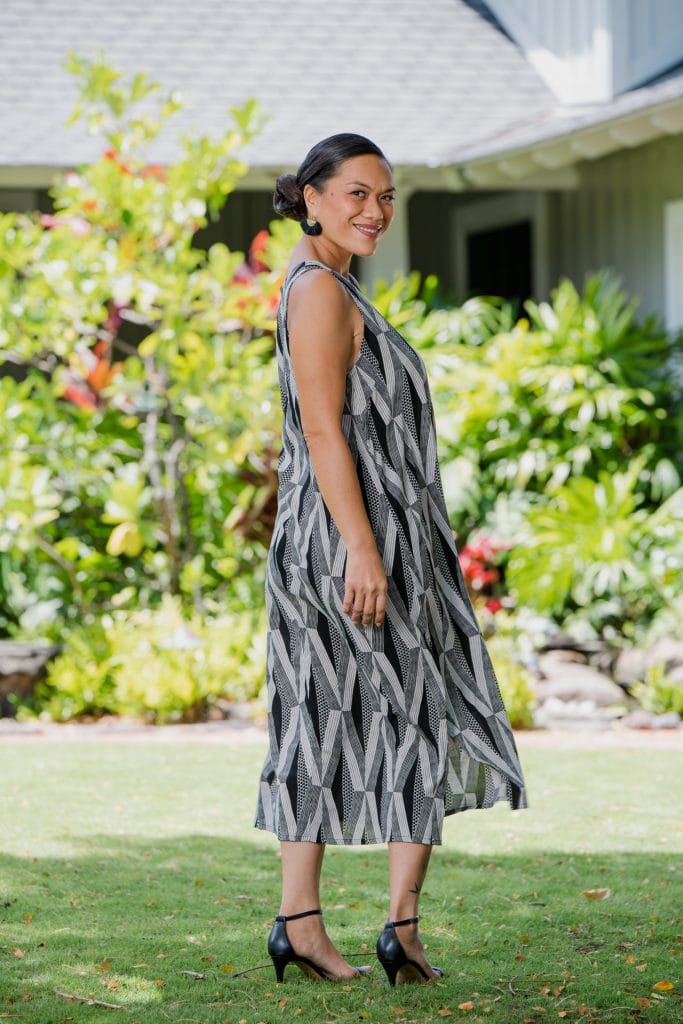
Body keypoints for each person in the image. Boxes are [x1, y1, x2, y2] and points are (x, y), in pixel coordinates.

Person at [254, 133, 528, 986]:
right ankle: (359, 927)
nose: (374, 210)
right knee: (380, 716)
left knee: (342, 714)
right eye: (355, 194)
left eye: (386, 196)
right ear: (310, 196)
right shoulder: (317, 296)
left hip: (376, 543)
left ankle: (335, 925)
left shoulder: (332, 288)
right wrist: (364, 551)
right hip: (350, 547)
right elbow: (324, 429)